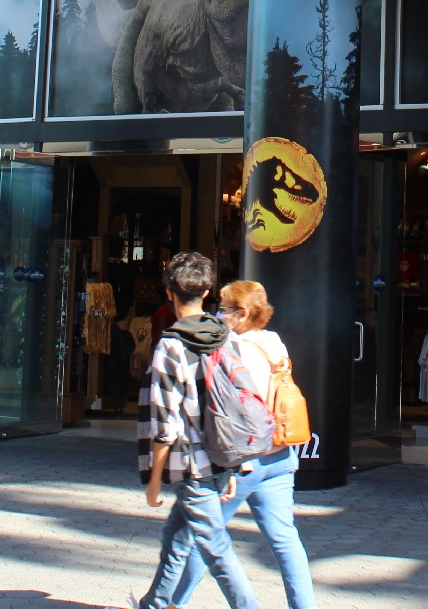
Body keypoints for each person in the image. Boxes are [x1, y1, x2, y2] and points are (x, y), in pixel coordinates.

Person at [168, 280, 314, 609]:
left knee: (203, 534)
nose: (218, 314)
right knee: (285, 540)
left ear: (243, 313)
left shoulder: (234, 348)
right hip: (280, 455)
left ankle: (172, 602)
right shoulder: (274, 343)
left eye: (224, 308)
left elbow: (230, 412)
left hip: (244, 460)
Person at [130, 251, 261, 609]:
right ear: (206, 293)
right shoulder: (225, 336)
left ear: (169, 293)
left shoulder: (171, 345)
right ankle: (155, 603)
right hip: (220, 457)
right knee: (177, 537)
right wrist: (235, 463)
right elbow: (239, 403)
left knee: (216, 549)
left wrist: (154, 479)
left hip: (191, 465)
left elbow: (164, 424)